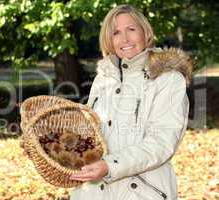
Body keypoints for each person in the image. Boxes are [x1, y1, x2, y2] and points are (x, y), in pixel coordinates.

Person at [69, 4, 192, 200]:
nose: (124, 38)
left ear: (146, 33)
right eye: (116, 33)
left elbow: (161, 143)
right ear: (109, 40)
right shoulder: (103, 78)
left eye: (131, 29)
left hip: (142, 192)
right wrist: (50, 146)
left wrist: (110, 166)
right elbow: (88, 136)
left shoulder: (168, 79)